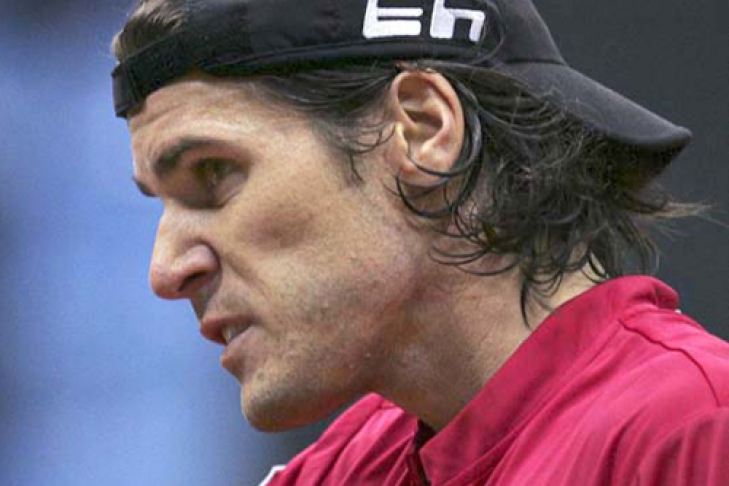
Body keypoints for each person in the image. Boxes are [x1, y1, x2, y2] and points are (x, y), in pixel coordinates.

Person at [110, 0, 729, 484]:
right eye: (161, 202)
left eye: (214, 173)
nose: (166, 270)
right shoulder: (340, 470)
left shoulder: (694, 431)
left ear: (423, 130)